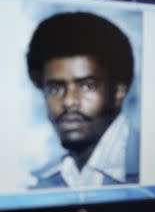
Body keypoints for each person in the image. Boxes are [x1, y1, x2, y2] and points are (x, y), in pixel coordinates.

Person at [26, 12, 139, 189]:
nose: (69, 101)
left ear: (118, 92)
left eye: (88, 86)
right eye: (55, 88)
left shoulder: (153, 166)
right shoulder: (40, 182)